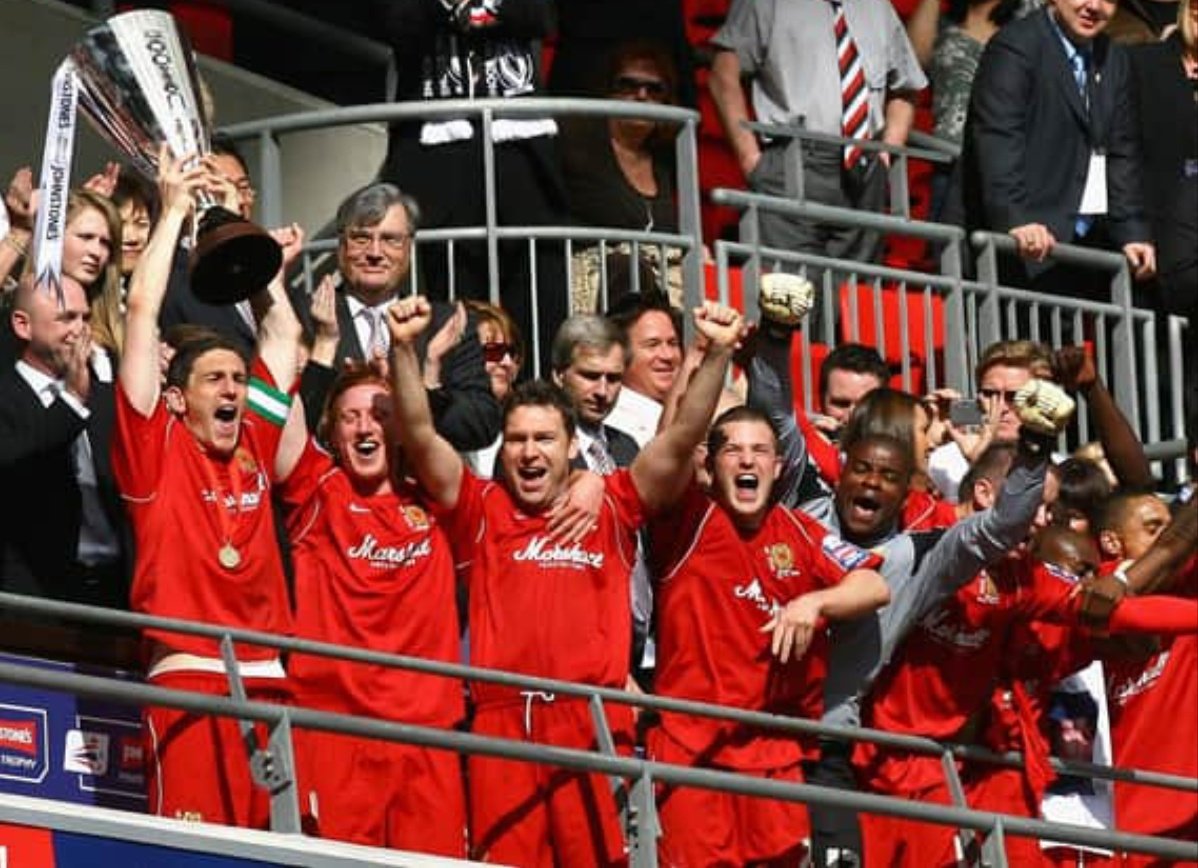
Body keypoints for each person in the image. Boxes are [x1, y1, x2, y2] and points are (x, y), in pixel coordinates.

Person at [385, 292, 745, 866]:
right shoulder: (481, 509)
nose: (530, 453)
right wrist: (403, 348)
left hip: (592, 723)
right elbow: (421, 435)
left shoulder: (615, 502)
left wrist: (718, 352)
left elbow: (680, 440)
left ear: (572, 446)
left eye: (545, 439)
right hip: (502, 726)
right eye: (519, 441)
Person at [112, 148, 302, 827]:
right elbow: (139, 312)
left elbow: (283, 333)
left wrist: (243, 246)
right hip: (189, 675)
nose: (234, 389)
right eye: (216, 380)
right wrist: (172, 214)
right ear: (175, 399)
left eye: (239, 380)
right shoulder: (153, 452)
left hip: (269, 680)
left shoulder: (254, 437)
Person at [647, 403, 891, 866]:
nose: (746, 461)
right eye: (732, 450)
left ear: (777, 467)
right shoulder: (688, 520)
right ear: (709, 463)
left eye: (760, 450)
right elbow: (670, 445)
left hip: (776, 754)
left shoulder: (800, 530)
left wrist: (814, 601)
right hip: (690, 747)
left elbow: (874, 585)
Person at [274, 289, 466, 852]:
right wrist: (273, 292)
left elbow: (427, 432)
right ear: (332, 433)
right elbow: (282, 412)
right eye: (350, 417)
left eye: (380, 416)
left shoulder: (439, 497)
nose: (365, 428)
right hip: (334, 728)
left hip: (425, 733)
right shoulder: (316, 488)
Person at [374, 0, 569, 373]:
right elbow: (401, 25)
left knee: (534, 298)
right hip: (441, 158)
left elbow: (539, 15)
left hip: (522, 155)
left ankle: (533, 398)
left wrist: (476, 12)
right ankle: (467, 399)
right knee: (458, 302)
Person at [709, 0, 926, 333]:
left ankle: (842, 382)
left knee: (855, 303)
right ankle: (790, 381)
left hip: (864, 165)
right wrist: (752, 160)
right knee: (791, 298)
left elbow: (906, 86)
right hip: (793, 158)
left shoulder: (877, 7)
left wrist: (887, 153)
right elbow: (724, 74)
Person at [949, 0, 1157, 293]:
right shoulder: (1017, 47)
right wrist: (1017, 219)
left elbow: (1121, 152)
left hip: (1079, 243)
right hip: (1019, 245)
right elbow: (998, 137)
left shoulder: (1114, 58)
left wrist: (1132, 232)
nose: (1094, 6)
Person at [293, 182, 500, 453]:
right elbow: (288, 426)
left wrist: (422, 390)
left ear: (409, 248)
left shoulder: (445, 323)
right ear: (341, 246)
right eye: (361, 238)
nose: (375, 253)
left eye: (391, 239)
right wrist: (323, 344)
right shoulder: (302, 315)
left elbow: (480, 426)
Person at [0, 273, 128, 610]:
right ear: (23, 325)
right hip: (31, 596)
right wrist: (72, 400)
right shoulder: (5, 396)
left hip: (113, 590)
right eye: (65, 318)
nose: (80, 329)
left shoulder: (105, 398)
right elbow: (16, 459)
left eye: (85, 317)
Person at [559, 40, 682, 312]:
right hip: (597, 285)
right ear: (608, 93)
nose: (641, 95)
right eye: (628, 85)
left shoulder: (663, 163)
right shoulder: (578, 149)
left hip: (660, 291)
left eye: (654, 89)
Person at [603, 292, 683, 447]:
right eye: (652, 344)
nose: (668, 356)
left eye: (673, 343)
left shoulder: (684, 409)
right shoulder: (616, 427)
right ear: (619, 354)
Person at [462, 299, 523, 478]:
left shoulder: (522, 425)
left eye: (511, 353)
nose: (507, 363)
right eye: (493, 351)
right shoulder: (433, 422)